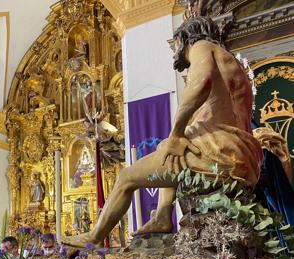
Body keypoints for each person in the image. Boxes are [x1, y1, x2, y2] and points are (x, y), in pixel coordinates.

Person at [63, 16, 263, 247]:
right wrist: (177, 138)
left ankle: (95, 237)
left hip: (220, 150)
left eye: (175, 44)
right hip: (243, 154)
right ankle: (161, 216)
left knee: (125, 177)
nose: (174, 51)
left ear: (185, 39)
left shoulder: (201, 46)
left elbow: (201, 81)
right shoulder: (230, 64)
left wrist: (176, 133)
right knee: (170, 150)